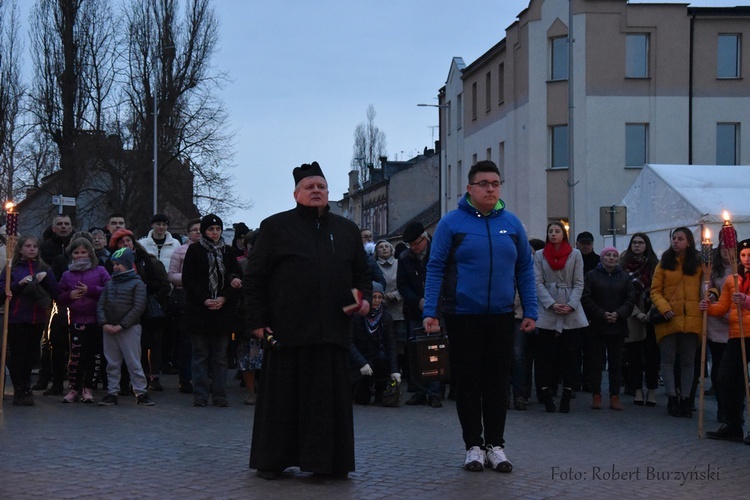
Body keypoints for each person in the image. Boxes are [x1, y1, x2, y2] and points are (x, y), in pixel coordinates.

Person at [244, 161, 372, 480]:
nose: (316, 190)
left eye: (321, 186)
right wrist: (257, 319)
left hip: (332, 332)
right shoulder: (274, 227)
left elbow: (362, 274)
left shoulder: (347, 230)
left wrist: (364, 298)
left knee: (326, 404)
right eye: (309, 187)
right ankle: (274, 460)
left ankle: (327, 462)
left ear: (328, 193)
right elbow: (255, 278)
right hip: (286, 330)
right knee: (282, 402)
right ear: (296, 194)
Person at [422, 160, 536, 473]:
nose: (490, 188)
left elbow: (525, 268)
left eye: (495, 183)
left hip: (501, 315)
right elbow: (435, 268)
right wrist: (429, 311)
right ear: (470, 188)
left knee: (498, 384)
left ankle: (496, 446)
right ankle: (473, 445)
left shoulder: (511, 225)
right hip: (463, 315)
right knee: (469, 383)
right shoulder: (452, 223)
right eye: (483, 183)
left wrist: (531, 309)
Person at [182, 213, 242, 407]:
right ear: (203, 231)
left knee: (220, 356)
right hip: (200, 310)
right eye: (210, 229)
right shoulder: (194, 251)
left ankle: (220, 394)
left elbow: (237, 279)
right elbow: (188, 281)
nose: (215, 233)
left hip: (222, 311)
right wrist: (205, 299)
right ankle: (200, 394)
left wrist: (224, 297)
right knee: (200, 355)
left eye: (217, 229)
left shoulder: (228, 251)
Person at [534, 221, 588, 414]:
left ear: (563, 234)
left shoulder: (575, 254)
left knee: (571, 356)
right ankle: (546, 394)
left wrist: (571, 304)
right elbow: (538, 282)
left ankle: (567, 394)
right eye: (550, 231)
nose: (553, 234)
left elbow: (579, 282)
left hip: (570, 309)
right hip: (549, 308)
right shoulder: (540, 256)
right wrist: (551, 304)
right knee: (545, 356)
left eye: (557, 231)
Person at [108, 228, 171, 392]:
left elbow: (158, 283)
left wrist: (143, 289)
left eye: (128, 240)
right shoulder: (112, 263)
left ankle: (144, 381)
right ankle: (123, 383)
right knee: (121, 349)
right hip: (121, 309)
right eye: (121, 242)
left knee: (143, 346)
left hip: (143, 309)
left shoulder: (145, 260)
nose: (126, 244)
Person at [0, 236, 60, 406]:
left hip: (37, 318)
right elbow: (2, 292)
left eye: (34, 246)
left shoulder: (44, 269)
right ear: (20, 249)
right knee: (18, 355)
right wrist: (19, 284)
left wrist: (48, 280)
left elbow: (56, 291)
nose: (32, 249)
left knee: (31, 355)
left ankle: (25, 386)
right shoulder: (12, 268)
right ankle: (20, 387)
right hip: (16, 318)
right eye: (28, 246)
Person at [650, 227, 702, 418]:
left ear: (688, 242)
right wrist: (664, 308)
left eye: (680, 238)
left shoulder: (697, 263)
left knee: (688, 363)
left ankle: (686, 398)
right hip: (669, 318)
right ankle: (672, 397)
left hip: (691, 319)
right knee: (668, 361)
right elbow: (655, 290)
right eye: (674, 238)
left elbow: (708, 284)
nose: (676, 242)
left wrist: (711, 295)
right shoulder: (664, 263)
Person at [702, 238, 750, 443]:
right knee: (726, 378)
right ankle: (733, 424)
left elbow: (745, 302)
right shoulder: (733, 280)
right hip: (736, 334)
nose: (747, 259)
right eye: (743, 255)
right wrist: (708, 307)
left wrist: (746, 301)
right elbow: (723, 307)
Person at [56, 238, 111, 403]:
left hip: (96, 320)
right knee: (76, 356)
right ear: (71, 255)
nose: (80, 256)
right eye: (76, 252)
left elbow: (111, 289)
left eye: (83, 252)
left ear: (90, 253)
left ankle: (88, 388)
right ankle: (74, 387)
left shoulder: (100, 270)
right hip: (76, 320)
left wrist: (91, 290)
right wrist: (69, 296)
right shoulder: (67, 275)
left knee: (93, 355)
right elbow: (58, 295)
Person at [96, 248, 154, 406]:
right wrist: (105, 323)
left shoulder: (137, 283)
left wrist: (122, 325)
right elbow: (101, 305)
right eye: (114, 264)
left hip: (129, 329)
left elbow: (138, 307)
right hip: (109, 328)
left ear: (128, 264)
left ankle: (141, 392)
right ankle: (112, 392)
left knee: (133, 361)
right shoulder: (110, 283)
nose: (115, 267)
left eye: (118, 264)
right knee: (112, 363)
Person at [581, 246, 636, 410]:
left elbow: (630, 299)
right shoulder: (591, 275)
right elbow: (586, 297)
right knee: (596, 362)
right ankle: (596, 395)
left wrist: (618, 314)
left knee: (616, 363)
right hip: (597, 325)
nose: (611, 258)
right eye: (608, 255)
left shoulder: (624, 277)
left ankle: (614, 396)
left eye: (614, 256)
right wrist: (600, 313)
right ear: (602, 258)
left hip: (617, 325)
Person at [398, 222, 442, 407]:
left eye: (417, 243)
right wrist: (418, 301)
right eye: (411, 245)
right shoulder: (405, 258)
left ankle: (435, 392)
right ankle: (419, 390)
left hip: (437, 310)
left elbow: (443, 279)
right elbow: (402, 285)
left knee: (435, 350)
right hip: (415, 310)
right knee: (416, 351)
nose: (415, 248)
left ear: (425, 238)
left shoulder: (437, 252)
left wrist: (432, 302)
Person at [35, 214, 74, 395]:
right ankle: (46, 378)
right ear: (53, 228)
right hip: (50, 299)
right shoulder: (44, 248)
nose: (63, 227)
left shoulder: (77, 247)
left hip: (71, 299)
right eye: (60, 224)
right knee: (49, 342)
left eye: (67, 224)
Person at [620, 233, 660, 407]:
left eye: (641, 242)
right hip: (633, 313)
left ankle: (651, 390)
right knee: (634, 355)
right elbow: (623, 293)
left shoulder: (654, 265)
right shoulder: (623, 266)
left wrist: (651, 311)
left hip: (652, 311)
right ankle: (637, 390)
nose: (637, 245)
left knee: (652, 355)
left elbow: (659, 289)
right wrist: (637, 313)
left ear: (646, 245)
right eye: (634, 242)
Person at [349, 282, 400, 405]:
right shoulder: (357, 315)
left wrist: (394, 370)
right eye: (373, 297)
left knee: (382, 360)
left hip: (376, 356)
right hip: (359, 360)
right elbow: (349, 342)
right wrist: (362, 363)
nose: (376, 301)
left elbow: (391, 344)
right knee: (362, 400)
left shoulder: (386, 316)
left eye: (379, 297)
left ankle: (380, 390)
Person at [167, 218, 202, 394]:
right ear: (188, 233)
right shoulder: (180, 251)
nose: (198, 232)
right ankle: (185, 378)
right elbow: (172, 275)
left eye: (200, 229)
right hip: (185, 297)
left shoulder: (211, 250)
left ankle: (203, 378)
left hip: (204, 299)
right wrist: (191, 278)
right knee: (186, 341)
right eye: (194, 229)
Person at [704, 236, 733, 422]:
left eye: (728, 247)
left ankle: (734, 408)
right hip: (717, 323)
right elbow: (708, 290)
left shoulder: (740, 270)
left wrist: (730, 312)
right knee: (719, 367)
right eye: (722, 247)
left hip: (737, 323)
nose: (725, 251)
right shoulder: (714, 270)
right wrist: (712, 299)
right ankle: (722, 408)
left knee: (733, 370)